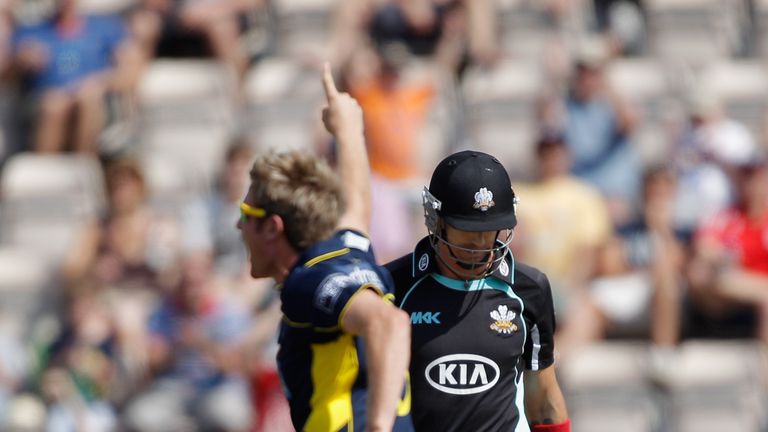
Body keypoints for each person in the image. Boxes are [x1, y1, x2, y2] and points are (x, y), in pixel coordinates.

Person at [237, 64, 413, 431]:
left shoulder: (309, 281)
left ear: (273, 227)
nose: (239, 225)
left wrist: (379, 427)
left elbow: (390, 324)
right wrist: (348, 129)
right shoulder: (347, 251)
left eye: (246, 213)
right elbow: (357, 209)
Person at [386, 150, 570, 431]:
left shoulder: (529, 290)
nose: (480, 245)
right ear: (437, 221)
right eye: (467, 232)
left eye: (490, 231)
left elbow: (544, 399)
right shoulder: (392, 287)